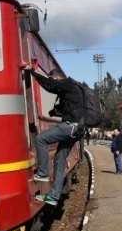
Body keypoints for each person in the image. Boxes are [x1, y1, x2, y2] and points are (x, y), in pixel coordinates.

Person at [27, 67, 85, 206]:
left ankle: (43, 173)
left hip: (70, 127)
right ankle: (53, 196)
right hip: (77, 129)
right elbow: (71, 107)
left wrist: (33, 72)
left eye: (53, 79)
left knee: (41, 139)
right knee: (59, 159)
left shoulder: (68, 83)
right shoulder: (71, 89)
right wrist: (56, 112)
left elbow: (50, 85)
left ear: (57, 77)